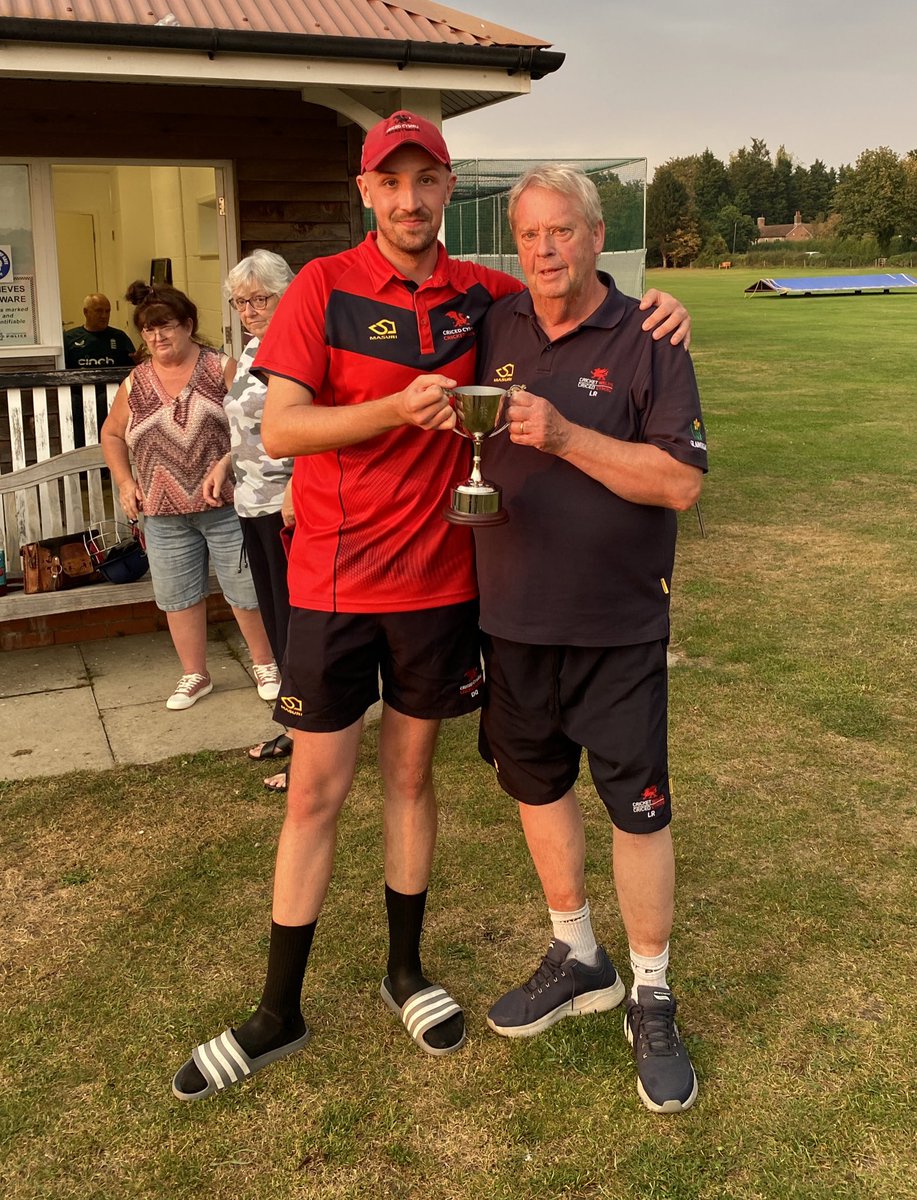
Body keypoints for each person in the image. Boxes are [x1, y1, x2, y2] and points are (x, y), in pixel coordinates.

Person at [171, 111, 690, 1102]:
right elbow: (278, 428)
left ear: (447, 188)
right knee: (318, 794)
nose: (409, 199)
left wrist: (661, 312)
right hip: (329, 583)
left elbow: (572, 291)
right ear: (364, 191)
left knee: (411, 782)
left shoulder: (483, 297)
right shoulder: (320, 288)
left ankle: (403, 973)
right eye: (389, 182)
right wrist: (391, 407)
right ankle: (277, 1012)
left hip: (442, 589)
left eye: (426, 180)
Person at [473, 164, 707, 1114]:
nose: (543, 251)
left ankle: (650, 989)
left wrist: (567, 437)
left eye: (561, 233)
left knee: (636, 808)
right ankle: (578, 952)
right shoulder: (495, 323)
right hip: (511, 614)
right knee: (536, 785)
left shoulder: (649, 335)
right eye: (529, 235)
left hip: (615, 620)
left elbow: (680, 483)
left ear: (595, 235)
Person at [101, 280, 279, 711]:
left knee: (246, 588)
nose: (157, 337)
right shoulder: (135, 381)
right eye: (148, 330)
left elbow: (255, 424)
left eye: (166, 327)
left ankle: (266, 663)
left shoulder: (222, 368)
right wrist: (126, 483)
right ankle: (195, 674)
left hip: (225, 504)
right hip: (161, 511)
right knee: (178, 595)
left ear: (188, 326)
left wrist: (229, 463)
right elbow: (111, 434)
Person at [203, 250, 297, 792]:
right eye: (241, 301)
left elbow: (313, 421)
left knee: (294, 626)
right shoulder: (252, 351)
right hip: (252, 504)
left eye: (260, 298)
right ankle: (288, 725)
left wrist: (301, 486)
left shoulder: (302, 346)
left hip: (288, 506)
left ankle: (307, 744)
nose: (250, 310)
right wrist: (224, 464)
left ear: (285, 294)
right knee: (274, 619)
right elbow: (250, 426)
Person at [64, 293, 136, 447]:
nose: (104, 316)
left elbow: (131, 368)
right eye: (98, 311)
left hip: (111, 398)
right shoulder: (70, 339)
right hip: (78, 398)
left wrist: (136, 361)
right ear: (86, 312)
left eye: (107, 311)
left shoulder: (119, 337)